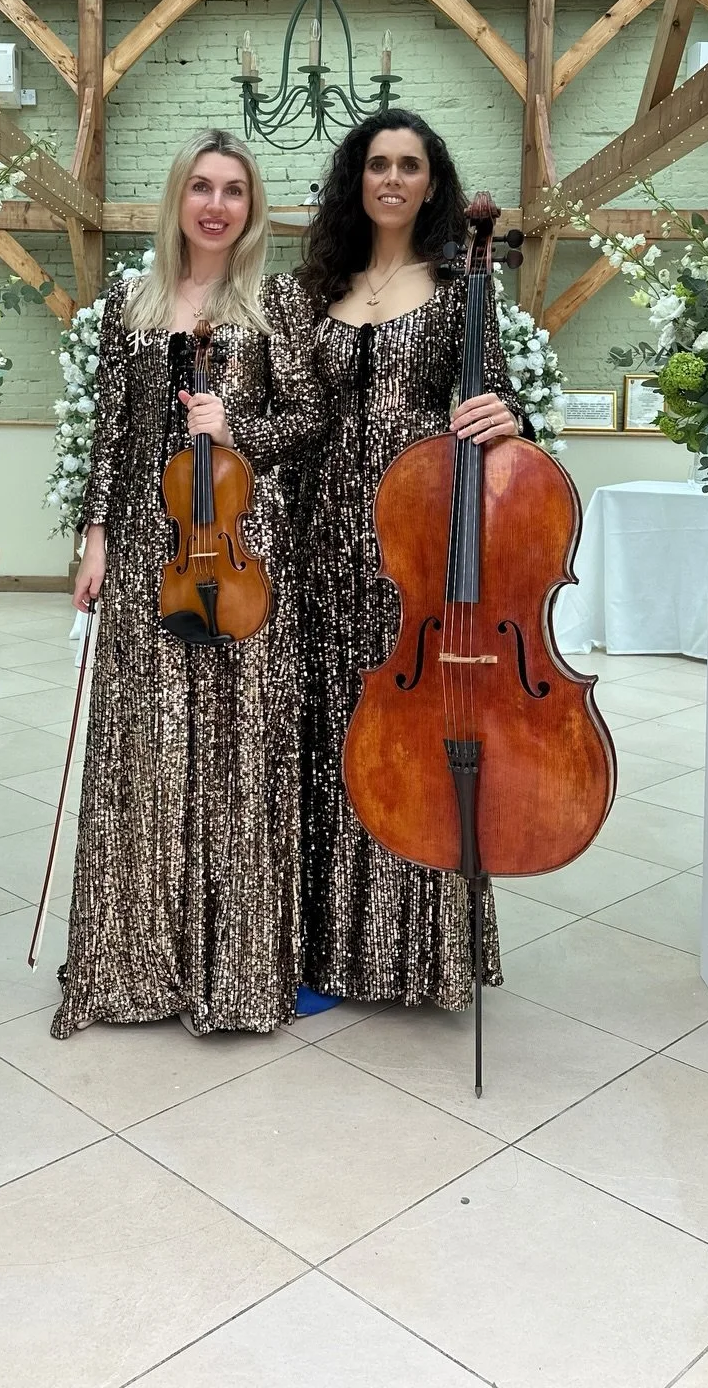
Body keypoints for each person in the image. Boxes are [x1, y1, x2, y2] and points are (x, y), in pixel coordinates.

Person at [53, 128, 320, 1039]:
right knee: (146, 754)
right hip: (142, 548)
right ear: (178, 199)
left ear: (253, 208)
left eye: (234, 191)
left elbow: (309, 420)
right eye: (201, 187)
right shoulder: (131, 303)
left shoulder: (276, 302)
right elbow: (109, 436)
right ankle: (135, 967)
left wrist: (234, 419)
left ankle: (235, 970)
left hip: (244, 551)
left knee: (241, 752)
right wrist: (93, 540)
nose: (216, 204)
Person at [295, 109, 529, 1010]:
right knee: (333, 734)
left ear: (432, 184)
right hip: (324, 539)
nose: (392, 178)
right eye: (377, 164)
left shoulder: (463, 283)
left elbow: (499, 404)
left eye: (410, 165)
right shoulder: (325, 285)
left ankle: (415, 955)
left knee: (414, 744)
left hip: (418, 545)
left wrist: (506, 415)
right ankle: (325, 948)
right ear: (356, 178)